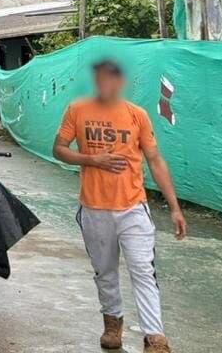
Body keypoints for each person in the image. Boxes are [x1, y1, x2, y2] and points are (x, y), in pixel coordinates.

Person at [53, 59, 187, 353]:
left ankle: (155, 338)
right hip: (94, 208)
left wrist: (174, 207)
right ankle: (112, 324)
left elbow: (155, 160)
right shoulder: (78, 110)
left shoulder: (136, 116)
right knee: (105, 271)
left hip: (132, 208)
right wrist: (92, 160)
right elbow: (59, 149)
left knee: (142, 270)